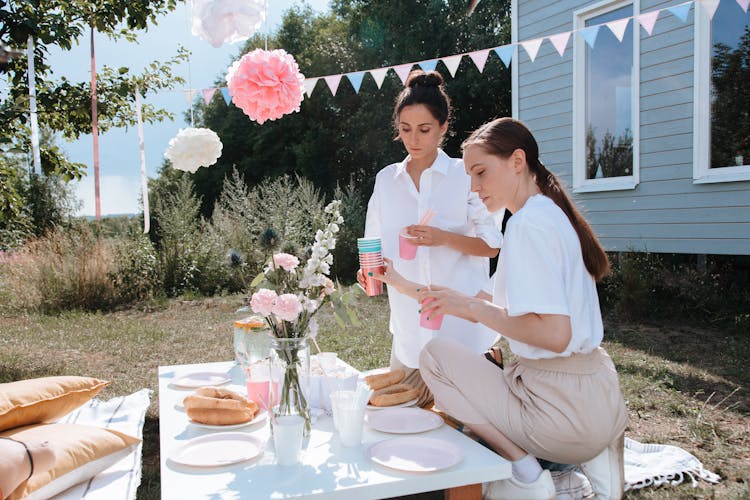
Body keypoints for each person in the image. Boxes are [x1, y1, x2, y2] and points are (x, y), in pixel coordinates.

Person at [372, 117, 628, 499]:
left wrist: (473, 310)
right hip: (601, 401)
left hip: (558, 413)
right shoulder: (551, 215)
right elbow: (519, 310)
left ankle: (525, 471)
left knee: (435, 356)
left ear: (517, 161)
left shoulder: (527, 226)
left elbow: (555, 336)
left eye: (481, 173)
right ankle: (593, 455)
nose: (473, 187)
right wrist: (413, 286)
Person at [358, 69, 502, 407]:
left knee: (467, 429)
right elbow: (372, 243)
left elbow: (493, 245)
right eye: (405, 129)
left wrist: (443, 238)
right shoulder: (387, 180)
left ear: (443, 128)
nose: (414, 139)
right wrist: (368, 271)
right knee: (400, 419)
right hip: (409, 326)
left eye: (424, 130)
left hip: (460, 327)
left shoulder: (464, 176)